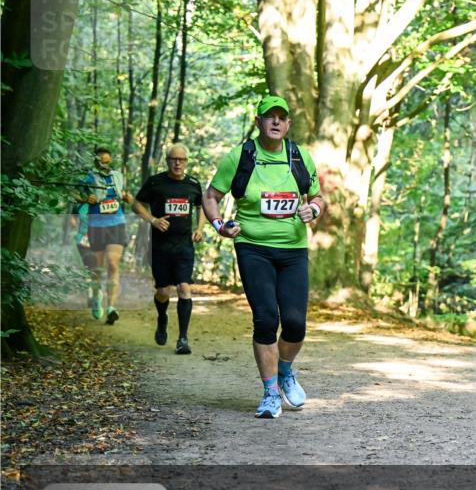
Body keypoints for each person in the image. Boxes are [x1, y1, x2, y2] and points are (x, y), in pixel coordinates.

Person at [203, 95, 324, 418]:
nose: (275, 122)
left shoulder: (299, 157)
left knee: (296, 324)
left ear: (288, 124)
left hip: (293, 250)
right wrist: (219, 224)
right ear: (257, 122)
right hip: (253, 248)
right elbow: (212, 195)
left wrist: (313, 209)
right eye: (268, 117)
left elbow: (318, 197)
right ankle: (271, 393)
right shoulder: (240, 157)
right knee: (267, 318)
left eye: (280, 118)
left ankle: (285, 371)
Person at [132, 144, 204, 354]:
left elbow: (201, 207)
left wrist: (199, 228)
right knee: (163, 291)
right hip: (160, 246)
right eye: (174, 159)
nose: (177, 163)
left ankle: (183, 339)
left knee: (184, 287)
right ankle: (162, 318)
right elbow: (136, 204)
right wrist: (152, 220)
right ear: (168, 161)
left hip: (184, 245)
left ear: (186, 162)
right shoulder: (155, 182)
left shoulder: (193, 184)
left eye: (181, 159)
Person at [77, 147, 131, 324]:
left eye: (108, 161)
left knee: (113, 264)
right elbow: (74, 193)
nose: (106, 165)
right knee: (97, 269)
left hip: (117, 223)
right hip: (96, 225)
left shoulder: (117, 176)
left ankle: (111, 307)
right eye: (103, 162)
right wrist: (86, 199)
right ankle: (97, 296)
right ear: (96, 161)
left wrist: (126, 197)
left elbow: (122, 194)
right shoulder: (88, 177)